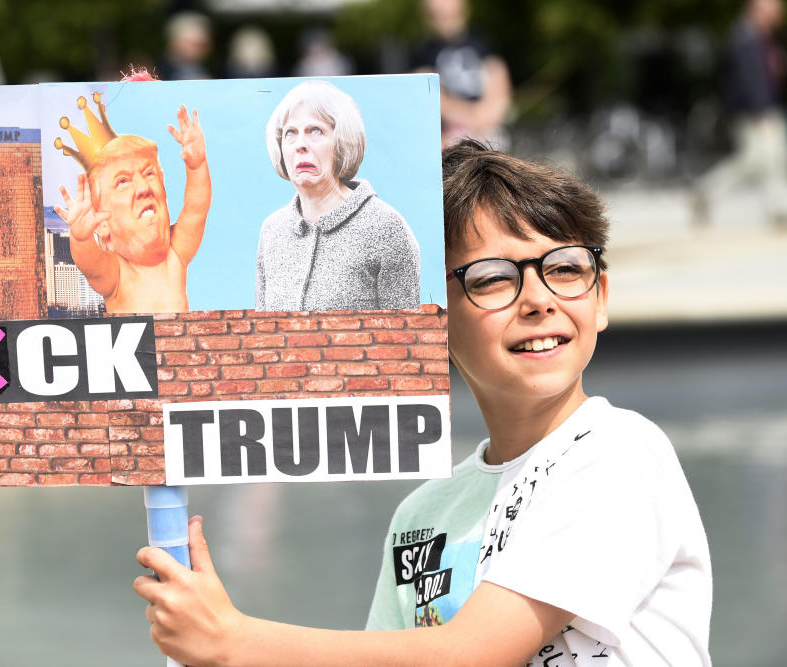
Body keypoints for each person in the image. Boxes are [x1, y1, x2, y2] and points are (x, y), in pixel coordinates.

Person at [133, 139, 713, 666]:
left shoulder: (621, 455)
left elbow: (469, 654)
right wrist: (200, 643)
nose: (539, 299)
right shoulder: (422, 515)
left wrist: (235, 641)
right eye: (491, 278)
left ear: (601, 296)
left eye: (565, 269)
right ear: (430, 317)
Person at [256, 80, 420, 311]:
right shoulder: (272, 230)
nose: (300, 144)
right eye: (290, 133)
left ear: (342, 142)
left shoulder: (386, 227)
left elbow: (407, 338)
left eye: (315, 131)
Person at [54, 92, 211, 313]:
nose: (143, 188)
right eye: (123, 181)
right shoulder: (116, 273)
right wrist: (81, 238)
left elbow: (196, 210)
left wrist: (196, 166)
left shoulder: (175, 254)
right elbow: (90, 264)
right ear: (103, 225)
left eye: (149, 174)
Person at [693, 0, 787, 225]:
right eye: (773, 10)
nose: (778, 14)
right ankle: (778, 209)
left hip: (760, 108)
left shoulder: (760, 37)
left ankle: (705, 192)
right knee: (769, 157)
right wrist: (760, 110)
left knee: (758, 159)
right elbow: (748, 80)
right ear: (757, 9)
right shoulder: (745, 38)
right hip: (755, 111)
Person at [413, 0, 512, 148]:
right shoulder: (424, 51)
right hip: (447, 133)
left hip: (487, 129)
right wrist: (465, 116)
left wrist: (485, 115)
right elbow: (428, 92)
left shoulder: (482, 42)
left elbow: (498, 79)